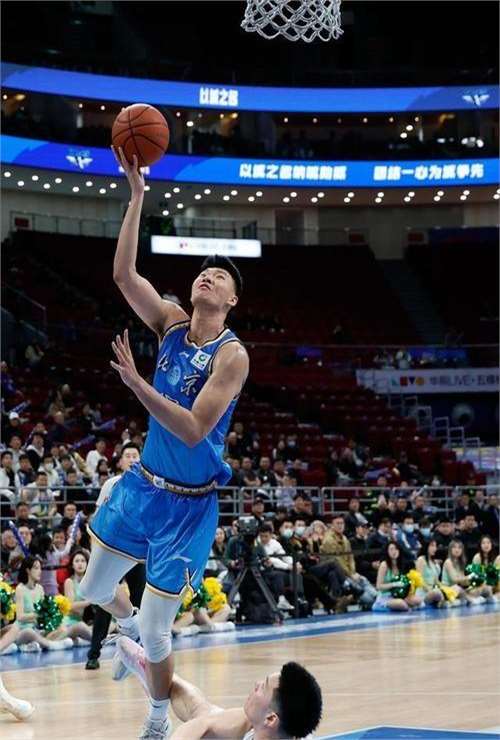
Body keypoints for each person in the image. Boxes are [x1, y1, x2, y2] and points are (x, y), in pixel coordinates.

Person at [79, 146, 249, 740]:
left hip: (189, 506)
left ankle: (156, 715)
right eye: (204, 271)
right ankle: (124, 636)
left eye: (220, 276)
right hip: (144, 486)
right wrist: (136, 198)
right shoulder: (171, 322)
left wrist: (137, 383)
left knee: (159, 629)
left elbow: (194, 428)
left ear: (231, 301)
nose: (208, 275)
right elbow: (125, 276)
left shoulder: (233, 356)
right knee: (93, 589)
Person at [117, 643, 323, 740]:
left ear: (271, 718)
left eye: (263, 686)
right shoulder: (258, 722)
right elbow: (202, 723)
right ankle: (154, 671)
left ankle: (155, 672)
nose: (256, 684)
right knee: (204, 713)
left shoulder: (268, 722)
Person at [85, 443, 146, 670]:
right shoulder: (111, 484)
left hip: (138, 554)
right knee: (103, 599)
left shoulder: (148, 487)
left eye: (135, 455)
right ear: (120, 461)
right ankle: (94, 653)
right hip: (112, 551)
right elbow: (98, 519)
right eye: (127, 455)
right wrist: (95, 549)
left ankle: (138, 654)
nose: (131, 459)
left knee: (140, 601)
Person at [0, 556, 73, 655]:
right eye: (36, 568)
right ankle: (51, 645)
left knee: (62, 628)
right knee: (29, 632)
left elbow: (44, 613)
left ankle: (33, 645)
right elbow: (20, 617)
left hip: (37, 628)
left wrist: (52, 615)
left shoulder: (40, 589)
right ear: (28, 570)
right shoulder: (20, 589)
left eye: (40, 568)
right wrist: (38, 614)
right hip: (22, 630)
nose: (40, 571)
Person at [320, 514, 377, 610]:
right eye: (337, 523)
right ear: (332, 525)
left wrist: (353, 572)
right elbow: (337, 561)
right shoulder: (328, 540)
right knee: (360, 590)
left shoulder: (345, 539)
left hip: (348, 572)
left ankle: (376, 597)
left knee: (363, 580)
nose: (340, 525)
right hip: (336, 572)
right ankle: (368, 601)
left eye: (342, 523)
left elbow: (351, 558)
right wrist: (351, 575)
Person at [372, 542, 422, 612]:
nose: (394, 551)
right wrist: (394, 584)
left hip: (399, 595)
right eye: (391, 549)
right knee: (401, 604)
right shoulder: (384, 565)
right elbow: (378, 586)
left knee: (418, 600)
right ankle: (381, 605)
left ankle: (406, 606)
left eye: (396, 549)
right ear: (387, 552)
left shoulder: (402, 564)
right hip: (386, 595)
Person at [442, 540, 495, 605]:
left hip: (459, 589)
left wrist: (474, 583)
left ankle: (492, 603)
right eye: (454, 547)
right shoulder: (448, 562)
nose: (457, 550)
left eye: (459, 548)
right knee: (458, 588)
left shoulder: (460, 563)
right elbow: (454, 579)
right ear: (450, 549)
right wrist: (469, 577)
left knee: (486, 588)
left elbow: (463, 582)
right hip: (448, 589)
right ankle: (472, 600)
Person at [415, 539, 444, 607]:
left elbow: (436, 581)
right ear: (426, 547)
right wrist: (429, 589)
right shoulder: (421, 560)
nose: (434, 548)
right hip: (423, 592)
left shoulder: (434, 562)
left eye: (435, 546)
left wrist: (444, 587)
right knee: (436, 593)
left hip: (432, 590)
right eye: (432, 546)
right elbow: (419, 579)